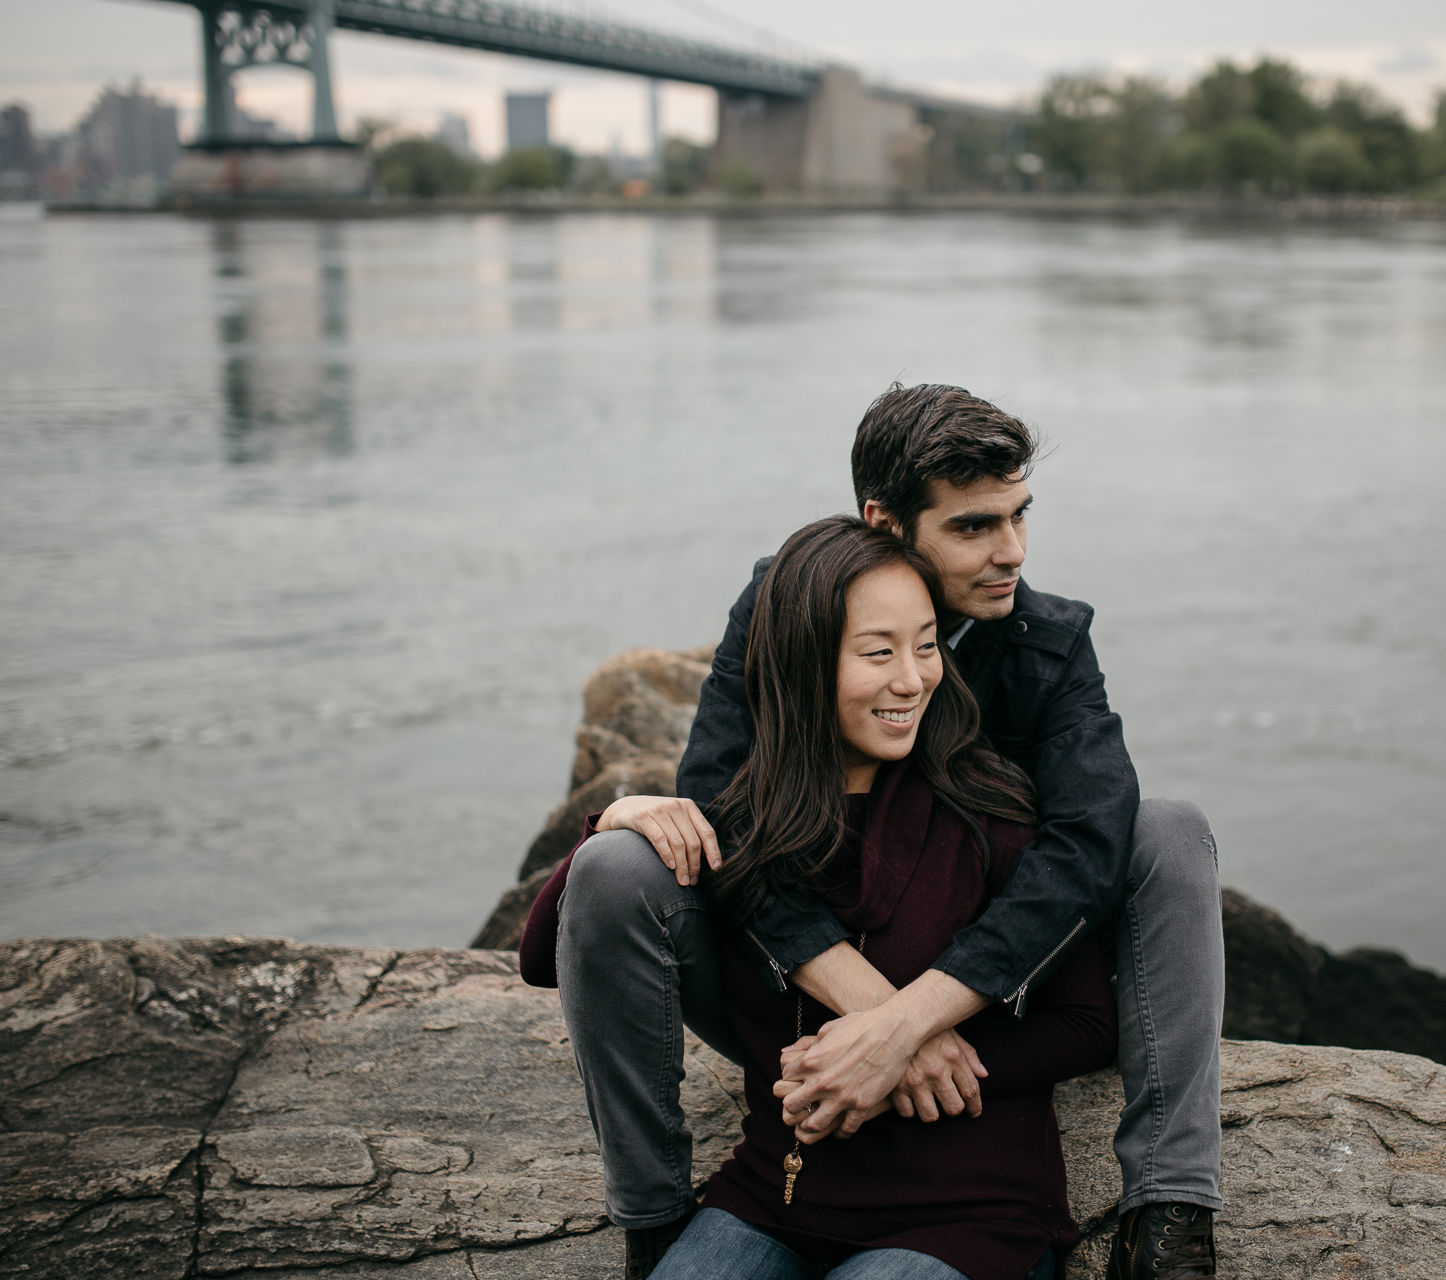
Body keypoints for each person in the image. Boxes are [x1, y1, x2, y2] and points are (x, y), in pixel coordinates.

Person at [522, 384, 1225, 1280]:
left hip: (980, 1005)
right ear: (885, 524)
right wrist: (879, 1021)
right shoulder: (791, 601)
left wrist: (905, 1026)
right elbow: (723, 803)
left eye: (1019, 517)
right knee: (623, 865)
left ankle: (1170, 1210)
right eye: (974, 527)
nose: (1012, 552)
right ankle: (656, 1219)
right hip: (791, 999)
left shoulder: (1044, 642)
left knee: (1164, 830)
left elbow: (1086, 849)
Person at [646, 515, 1114, 1278]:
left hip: (966, 1213)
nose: (912, 679)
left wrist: (892, 1055)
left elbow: (1091, 1022)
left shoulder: (990, 807)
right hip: (774, 1197)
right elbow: (573, 921)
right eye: (878, 652)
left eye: (927, 646)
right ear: (804, 663)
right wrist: (624, 815)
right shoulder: (744, 824)